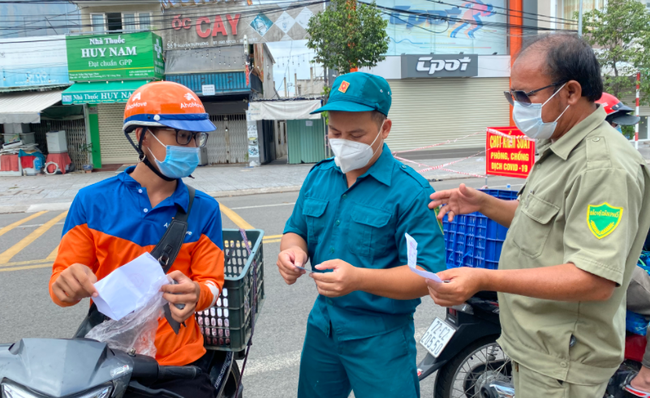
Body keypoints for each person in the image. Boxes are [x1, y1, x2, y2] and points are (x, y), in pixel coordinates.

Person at [427, 33, 650, 397]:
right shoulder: (559, 146)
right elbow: (542, 225)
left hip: (563, 361)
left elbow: (594, 279)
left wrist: (486, 277)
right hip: (537, 347)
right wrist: (483, 203)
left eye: (524, 96)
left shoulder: (603, 168)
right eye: (511, 95)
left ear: (571, 92)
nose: (517, 106)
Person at [49, 81, 224, 398]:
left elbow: (211, 280)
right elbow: (61, 284)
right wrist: (67, 284)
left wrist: (197, 292)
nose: (192, 145)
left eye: (196, 137)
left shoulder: (205, 209)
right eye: (183, 135)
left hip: (180, 364)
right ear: (143, 137)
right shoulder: (91, 201)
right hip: (107, 359)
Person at [277, 72, 445, 398]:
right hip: (323, 328)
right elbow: (295, 229)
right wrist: (291, 252)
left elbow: (426, 275)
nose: (343, 142)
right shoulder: (320, 177)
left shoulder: (410, 193)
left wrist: (359, 279)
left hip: (381, 338)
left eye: (356, 134)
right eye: (335, 131)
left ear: (385, 129)